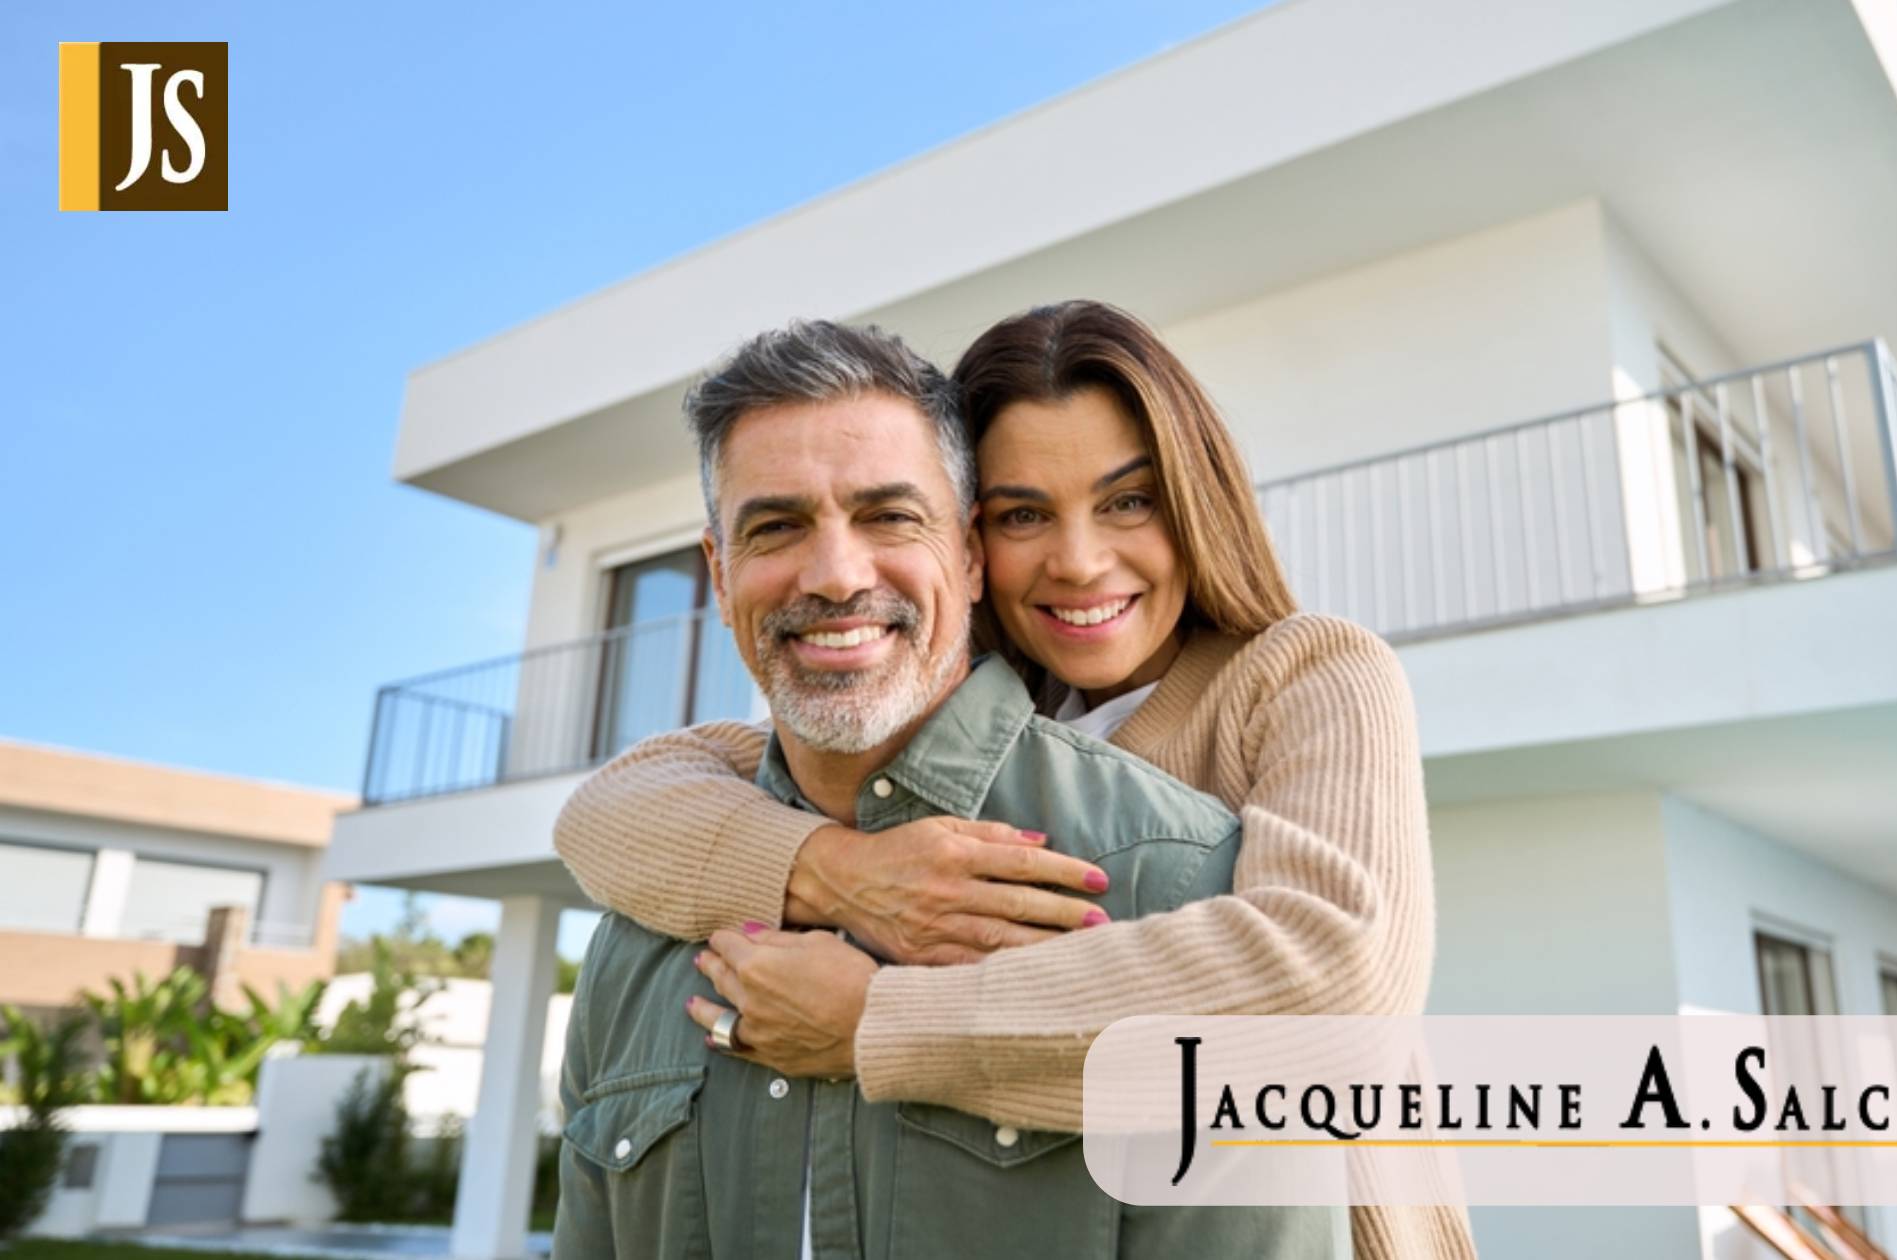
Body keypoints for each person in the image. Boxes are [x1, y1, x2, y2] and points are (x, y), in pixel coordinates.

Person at [556, 302, 1473, 1258]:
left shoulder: (1301, 674)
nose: (1078, 562)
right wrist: (836, 872)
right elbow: (610, 810)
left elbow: (1339, 989)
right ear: (977, 545)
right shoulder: (965, 704)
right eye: (1024, 514)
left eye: (1128, 501)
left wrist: (876, 1022)